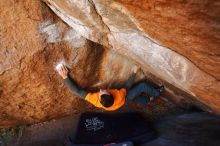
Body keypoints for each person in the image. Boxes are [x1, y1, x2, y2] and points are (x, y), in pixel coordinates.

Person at [57, 64, 164, 111]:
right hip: (123, 100)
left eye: (102, 93)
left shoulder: (94, 99)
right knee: (141, 86)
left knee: (133, 96)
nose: (101, 90)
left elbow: (77, 91)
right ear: (111, 94)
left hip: (119, 104)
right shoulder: (119, 95)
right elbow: (127, 86)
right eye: (104, 92)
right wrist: (134, 72)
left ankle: (146, 100)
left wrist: (65, 77)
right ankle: (157, 93)